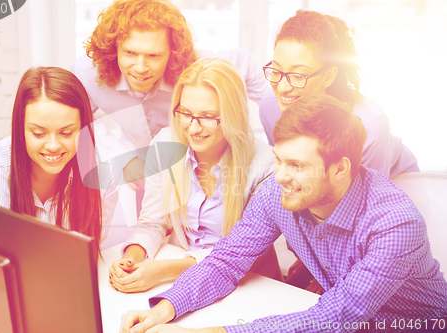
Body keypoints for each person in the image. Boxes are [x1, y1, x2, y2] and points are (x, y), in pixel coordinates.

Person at [119, 95, 447, 333]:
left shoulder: (395, 223)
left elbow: (337, 317)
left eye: (297, 165)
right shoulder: (280, 193)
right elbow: (226, 261)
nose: (280, 176)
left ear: (340, 168)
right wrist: (164, 310)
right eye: (279, 159)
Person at [108, 58, 277, 293]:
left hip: (249, 285)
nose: (193, 128)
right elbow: (152, 222)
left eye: (208, 117)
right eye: (185, 113)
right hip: (183, 279)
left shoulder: (266, 165)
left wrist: (163, 270)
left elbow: (240, 253)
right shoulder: (165, 144)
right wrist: (132, 257)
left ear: (233, 115)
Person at [70, 0, 268, 190]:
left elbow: (244, 63)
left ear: (172, 53)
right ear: (114, 49)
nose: (140, 68)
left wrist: (280, 139)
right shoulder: (88, 74)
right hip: (140, 174)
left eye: (153, 56)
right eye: (130, 53)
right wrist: (124, 156)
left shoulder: (198, 65)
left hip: (199, 169)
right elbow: (77, 120)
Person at [0, 67, 118, 253]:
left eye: (66, 132)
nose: (53, 145)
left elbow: (89, 251)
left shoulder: (104, 170)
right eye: (39, 133)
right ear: (20, 128)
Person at [259, 10, 419, 179]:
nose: (283, 88)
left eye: (298, 76)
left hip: (397, 181)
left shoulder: (370, 125)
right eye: (276, 71)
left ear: (328, 76)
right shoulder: (270, 107)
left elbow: (368, 197)